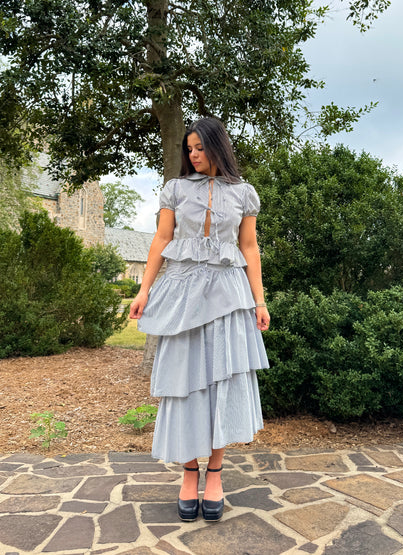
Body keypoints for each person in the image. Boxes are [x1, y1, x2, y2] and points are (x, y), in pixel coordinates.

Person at [129, 117, 270, 522]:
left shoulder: (243, 193)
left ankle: (216, 474)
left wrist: (259, 302)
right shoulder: (174, 189)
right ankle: (189, 473)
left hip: (229, 296)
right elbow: (162, 239)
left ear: (217, 147)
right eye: (188, 149)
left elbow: (249, 247)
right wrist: (144, 290)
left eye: (199, 148)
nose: (193, 155)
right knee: (185, 382)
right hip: (182, 295)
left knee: (222, 380)